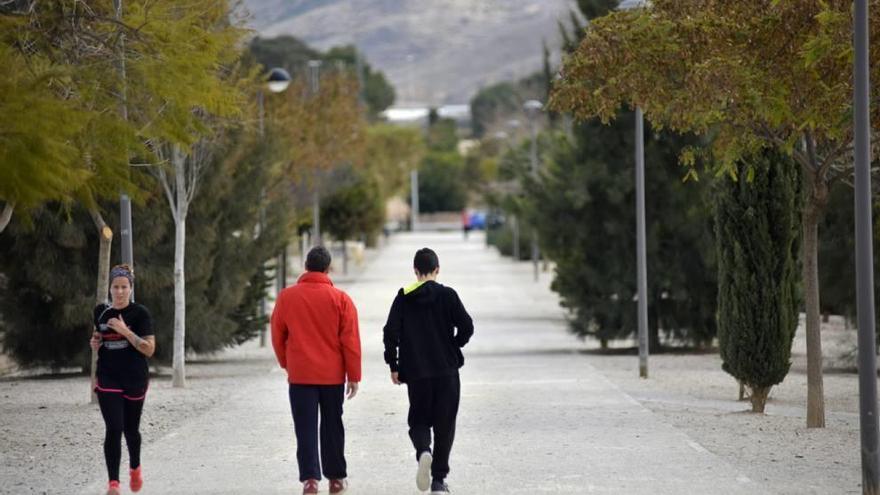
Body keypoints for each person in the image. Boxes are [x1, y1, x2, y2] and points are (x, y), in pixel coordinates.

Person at [271, 246, 362, 495]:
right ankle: (335, 479)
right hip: (332, 376)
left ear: (306, 267)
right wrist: (353, 375)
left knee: (305, 427)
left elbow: (278, 336)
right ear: (328, 268)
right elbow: (350, 340)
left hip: (300, 375)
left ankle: (310, 480)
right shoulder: (341, 299)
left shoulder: (286, 297)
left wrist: (287, 363)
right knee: (332, 425)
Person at [382, 248, 474, 494]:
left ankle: (424, 450)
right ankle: (438, 481)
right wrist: (454, 345)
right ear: (437, 270)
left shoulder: (404, 296)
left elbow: (390, 333)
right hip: (446, 371)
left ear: (415, 271)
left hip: (417, 373)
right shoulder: (448, 295)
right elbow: (467, 326)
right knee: (445, 425)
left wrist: (394, 365)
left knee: (419, 420)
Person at [89, 264, 155, 495]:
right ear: (110, 288)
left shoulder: (140, 314)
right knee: (114, 428)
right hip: (108, 376)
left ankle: (135, 467)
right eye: (115, 287)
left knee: (131, 430)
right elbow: (98, 335)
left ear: (130, 289)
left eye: (123, 287)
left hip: (135, 378)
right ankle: (113, 484)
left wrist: (126, 331)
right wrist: (95, 342)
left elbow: (149, 350)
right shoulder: (100, 311)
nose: (119, 291)